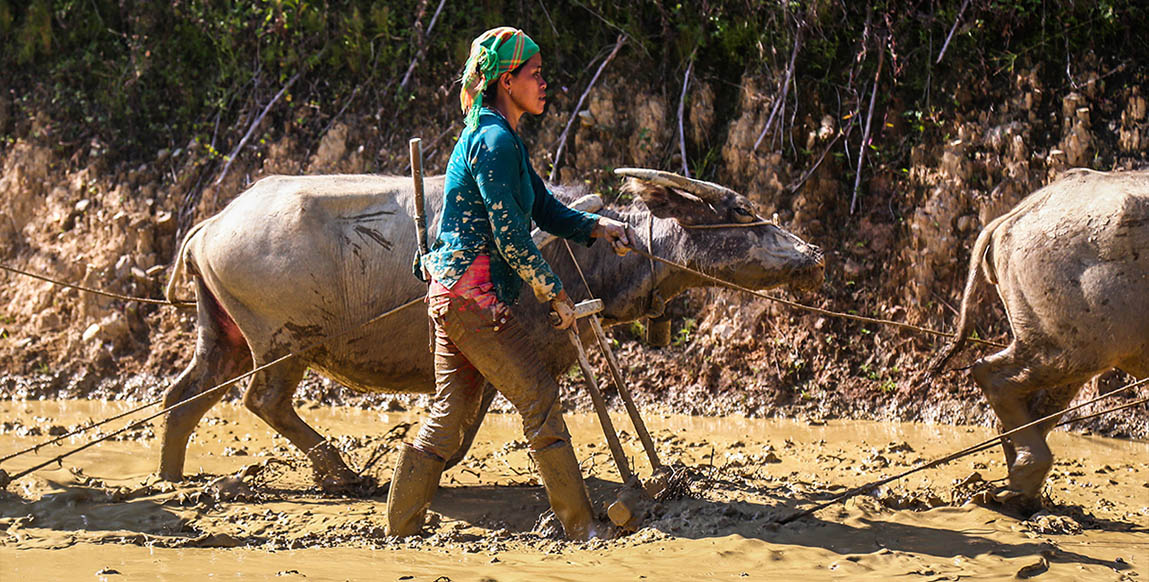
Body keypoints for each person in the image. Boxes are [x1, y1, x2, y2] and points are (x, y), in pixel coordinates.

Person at [387, 26, 633, 540]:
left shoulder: (499, 135)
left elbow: (542, 208)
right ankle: (582, 526)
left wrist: (598, 226)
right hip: (474, 300)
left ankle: (400, 528)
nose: (545, 84)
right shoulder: (494, 140)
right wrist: (557, 294)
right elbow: (512, 237)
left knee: (450, 412)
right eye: (535, 75)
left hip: (451, 295)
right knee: (539, 396)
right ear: (506, 79)